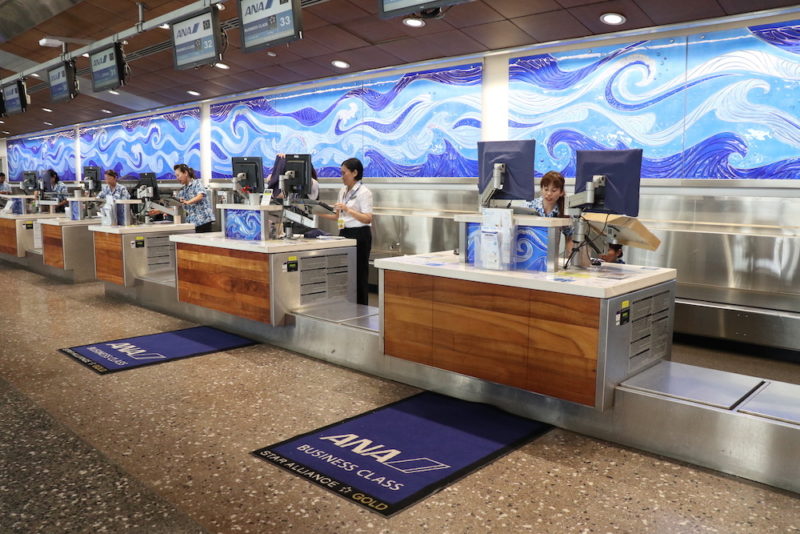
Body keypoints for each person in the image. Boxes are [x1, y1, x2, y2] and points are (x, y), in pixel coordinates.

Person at [320, 158, 373, 305]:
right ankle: (348, 304)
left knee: (359, 273)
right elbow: (337, 216)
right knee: (345, 272)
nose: (341, 176)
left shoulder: (364, 192)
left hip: (360, 234)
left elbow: (368, 218)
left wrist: (348, 210)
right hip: (344, 233)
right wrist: (316, 212)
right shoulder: (343, 191)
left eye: (344, 173)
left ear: (355, 172)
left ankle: (362, 306)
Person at [526, 171, 573, 253]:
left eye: (554, 190)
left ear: (561, 192)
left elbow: (570, 237)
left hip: (551, 257)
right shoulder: (530, 206)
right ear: (541, 189)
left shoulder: (564, 211)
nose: (548, 194)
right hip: (529, 252)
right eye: (546, 189)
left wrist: (571, 257)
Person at [174, 163, 215, 233]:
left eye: (178, 175)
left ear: (185, 173)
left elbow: (200, 195)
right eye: (176, 176)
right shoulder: (183, 189)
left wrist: (188, 202)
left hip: (203, 222)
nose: (177, 178)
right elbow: (176, 203)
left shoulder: (197, 183)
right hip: (192, 224)